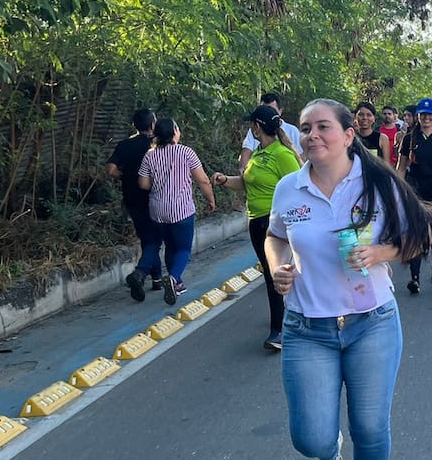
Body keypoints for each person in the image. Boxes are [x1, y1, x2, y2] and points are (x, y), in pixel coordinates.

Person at [266, 98, 432, 460]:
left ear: (349, 135)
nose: (312, 135)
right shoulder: (288, 188)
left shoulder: (381, 183)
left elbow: (420, 237)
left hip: (372, 324)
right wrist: (277, 266)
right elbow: (275, 236)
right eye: (306, 129)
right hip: (307, 328)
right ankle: (331, 450)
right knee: (312, 441)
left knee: (369, 430)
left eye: (323, 127)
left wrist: (380, 253)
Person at [212, 105, 301, 351]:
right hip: (256, 222)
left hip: (277, 225)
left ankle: (280, 330)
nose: (249, 129)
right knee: (271, 274)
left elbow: (300, 187)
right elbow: (247, 183)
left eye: (251, 124)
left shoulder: (283, 155)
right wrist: (225, 181)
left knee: (276, 273)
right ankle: (286, 321)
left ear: (257, 127)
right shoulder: (260, 155)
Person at [137, 118, 216, 305]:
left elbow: (143, 184)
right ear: (174, 132)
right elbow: (203, 180)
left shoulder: (150, 155)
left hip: (157, 211)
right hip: (181, 209)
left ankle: (175, 282)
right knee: (183, 248)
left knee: (167, 245)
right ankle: (173, 278)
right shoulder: (186, 152)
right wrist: (211, 199)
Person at [396, 98, 432, 292]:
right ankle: (415, 278)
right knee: (416, 233)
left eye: (430, 115)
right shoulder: (409, 138)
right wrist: (400, 187)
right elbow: (401, 166)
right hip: (415, 192)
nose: (426, 118)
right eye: (423, 114)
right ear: (418, 117)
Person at [108, 108, 163, 301]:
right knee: (154, 239)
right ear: (152, 125)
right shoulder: (156, 146)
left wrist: (124, 177)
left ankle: (157, 278)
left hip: (132, 199)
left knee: (147, 238)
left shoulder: (124, 145)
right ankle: (139, 274)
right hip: (154, 198)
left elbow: (111, 169)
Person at [240, 93, 302, 172]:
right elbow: (246, 150)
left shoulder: (284, 153)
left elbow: (295, 180)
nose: (267, 113)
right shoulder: (258, 151)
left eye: (271, 110)